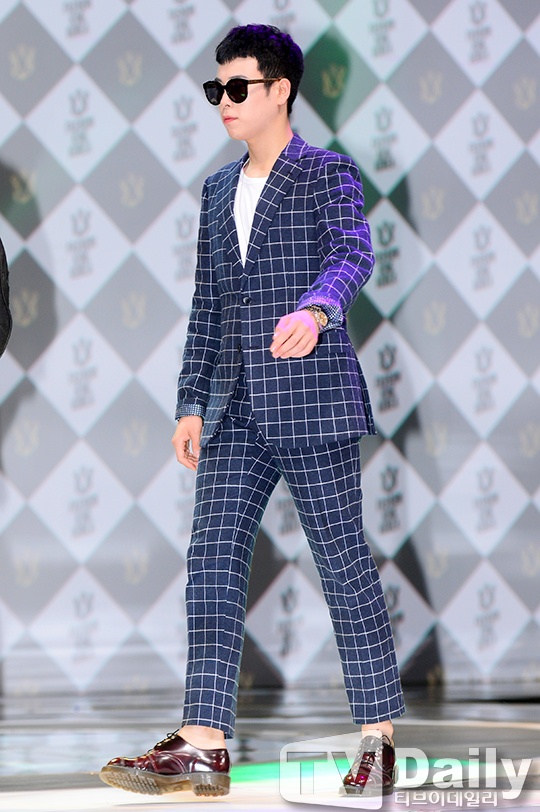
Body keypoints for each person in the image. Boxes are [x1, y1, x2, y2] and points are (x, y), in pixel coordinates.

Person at [100, 23, 404, 799]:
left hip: (310, 400)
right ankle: (204, 741)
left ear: (281, 90)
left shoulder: (325, 171)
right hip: (235, 406)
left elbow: (352, 251)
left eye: (239, 88)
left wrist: (318, 310)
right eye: (217, 89)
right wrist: (190, 404)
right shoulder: (215, 190)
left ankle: (378, 739)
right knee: (212, 561)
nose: (225, 102)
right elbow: (208, 306)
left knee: (343, 567)